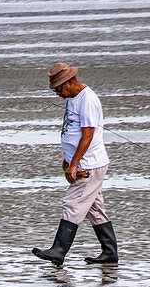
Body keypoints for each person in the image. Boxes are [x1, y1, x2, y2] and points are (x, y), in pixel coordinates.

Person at [32, 62, 119, 268]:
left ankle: (59, 251)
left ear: (70, 82)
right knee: (95, 209)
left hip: (89, 165)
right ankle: (109, 252)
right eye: (55, 90)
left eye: (59, 89)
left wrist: (74, 164)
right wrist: (67, 157)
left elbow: (88, 135)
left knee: (72, 204)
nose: (58, 94)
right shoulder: (73, 98)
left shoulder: (87, 100)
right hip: (82, 162)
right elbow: (72, 129)